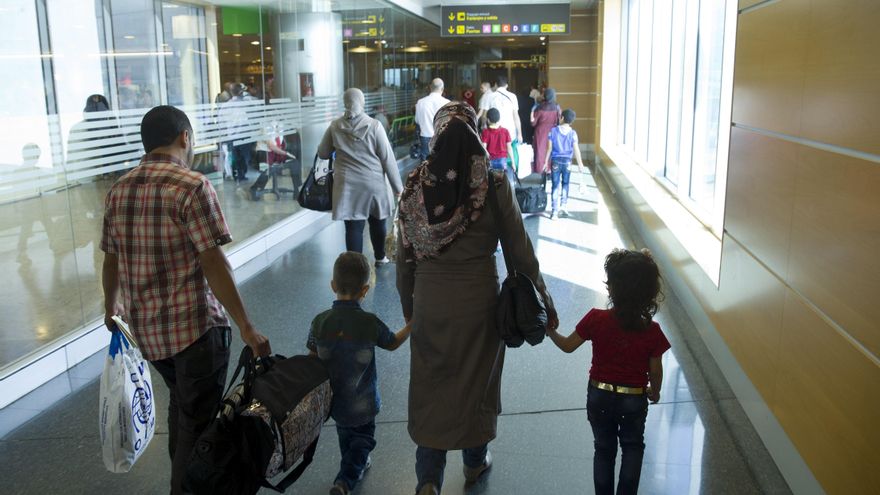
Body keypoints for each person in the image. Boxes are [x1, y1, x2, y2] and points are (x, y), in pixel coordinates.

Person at [101, 106, 271, 494]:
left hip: (151, 338)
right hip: (195, 331)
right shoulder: (191, 186)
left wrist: (110, 307)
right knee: (199, 428)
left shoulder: (119, 190)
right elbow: (213, 260)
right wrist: (246, 325)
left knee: (184, 410)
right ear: (184, 138)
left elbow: (111, 258)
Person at [396, 102, 558, 495]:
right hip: (478, 304)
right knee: (477, 382)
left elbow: (404, 261)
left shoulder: (415, 186)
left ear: (437, 136)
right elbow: (519, 251)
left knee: (431, 384)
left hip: (431, 301)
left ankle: (429, 479)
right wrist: (544, 296)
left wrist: (411, 311)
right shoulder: (494, 183)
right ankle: (473, 464)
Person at [546, 249, 670, 495]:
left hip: (599, 394)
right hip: (633, 397)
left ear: (612, 288)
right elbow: (655, 371)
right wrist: (654, 392)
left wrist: (550, 331)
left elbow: (568, 346)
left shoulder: (596, 319)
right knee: (633, 447)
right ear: (650, 292)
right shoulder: (652, 331)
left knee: (603, 449)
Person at [307, 252, 412, 495]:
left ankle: (353, 465)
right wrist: (411, 325)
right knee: (363, 440)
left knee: (346, 437)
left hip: (335, 402)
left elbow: (311, 358)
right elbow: (392, 342)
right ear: (365, 291)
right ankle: (344, 481)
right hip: (364, 402)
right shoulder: (368, 322)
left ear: (333, 285)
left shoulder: (319, 322)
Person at [318, 88, 404, 266]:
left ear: (345, 103)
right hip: (373, 184)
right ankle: (380, 257)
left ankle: (355, 266)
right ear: (362, 102)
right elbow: (387, 159)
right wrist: (399, 189)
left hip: (348, 185)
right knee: (377, 222)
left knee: (353, 228)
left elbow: (323, 152)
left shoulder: (335, 126)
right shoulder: (374, 125)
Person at [542, 109, 586, 219]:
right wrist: (580, 163)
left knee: (555, 185)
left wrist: (545, 161)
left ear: (561, 118)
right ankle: (564, 206)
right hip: (567, 162)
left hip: (555, 161)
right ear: (572, 121)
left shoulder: (552, 131)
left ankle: (554, 212)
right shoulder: (573, 133)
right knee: (565, 183)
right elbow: (576, 149)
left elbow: (549, 148)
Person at [489, 76, 523, 175]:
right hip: (510, 131)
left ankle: (496, 176)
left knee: (496, 153)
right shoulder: (512, 96)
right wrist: (520, 133)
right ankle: (510, 175)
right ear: (507, 85)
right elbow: (516, 116)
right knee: (510, 151)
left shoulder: (491, 96)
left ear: (496, 84)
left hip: (494, 131)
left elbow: (485, 116)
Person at [414, 78, 450, 160]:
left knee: (426, 166)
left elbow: (417, 121)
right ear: (442, 89)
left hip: (425, 138)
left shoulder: (420, 102)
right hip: (442, 137)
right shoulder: (447, 103)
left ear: (430, 88)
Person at [531, 87, 562, 174]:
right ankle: (550, 169)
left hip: (540, 131)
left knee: (540, 151)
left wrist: (531, 118)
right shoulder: (557, 107)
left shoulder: (539, 107)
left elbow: (533, 123)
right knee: (551, 150)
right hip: (553, 131)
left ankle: (540, 170)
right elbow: (559, 121)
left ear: (544, 95)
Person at [480, 108, 515, 185]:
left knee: (491, 182)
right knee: (501, 182)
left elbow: (483, 148)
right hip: (502, 161)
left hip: (490, 161)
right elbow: (509, 148)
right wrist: (513, 163)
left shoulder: (485, 132)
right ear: (499, 119)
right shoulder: (505, 131)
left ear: (488, 120)